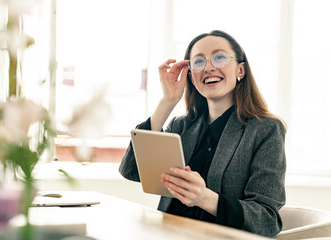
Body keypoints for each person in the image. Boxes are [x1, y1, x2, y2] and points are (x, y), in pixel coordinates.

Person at [119, 30, 286, 237]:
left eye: (220, 57)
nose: (208, 67)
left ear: (240, 70)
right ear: (191, 75)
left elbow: (267, 221)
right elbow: (130, 170)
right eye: (198, 62)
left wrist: (205, 198)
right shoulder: (181, 126)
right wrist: (167, 102)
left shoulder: (265, 129)